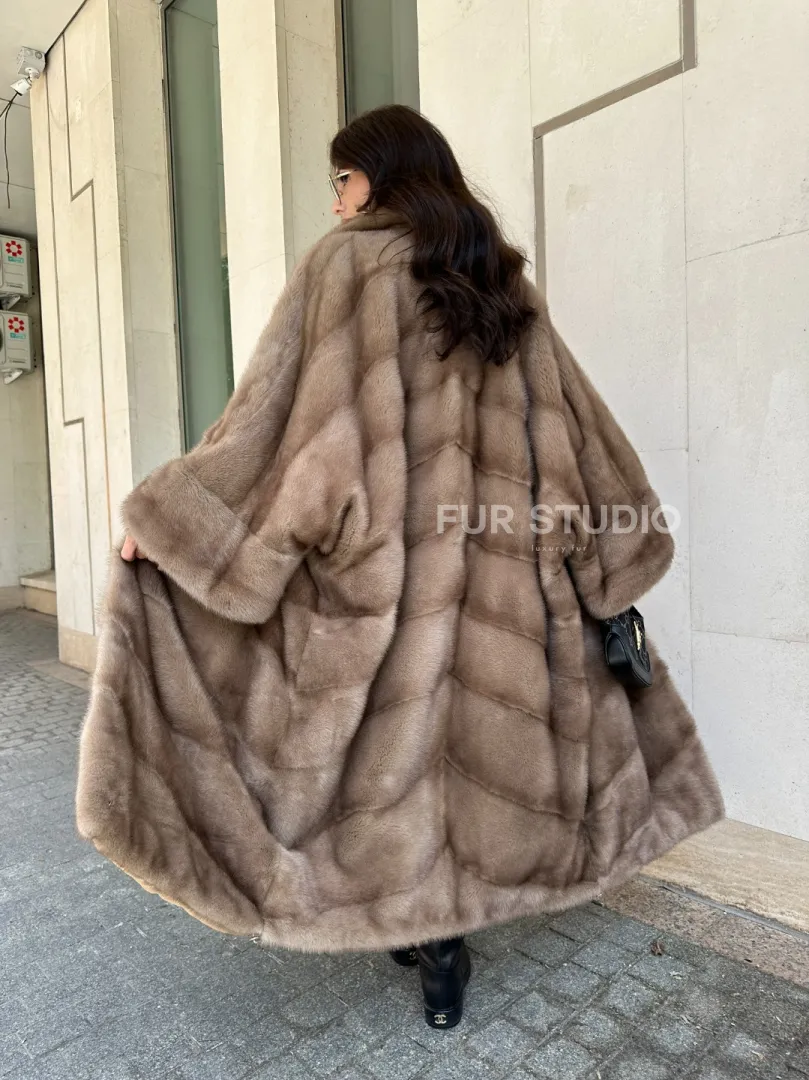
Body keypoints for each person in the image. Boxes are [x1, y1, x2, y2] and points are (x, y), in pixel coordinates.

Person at [95, 104, 724, 1032]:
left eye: (343, 180)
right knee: (464, 758)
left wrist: (179, 519)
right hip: (508, 581)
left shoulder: (344, 270)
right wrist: (606, 556)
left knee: (391, 761)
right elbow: (577, 430)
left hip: (382, 584)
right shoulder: (498, 281)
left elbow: (279, 432)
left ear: (381, 176)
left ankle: (424, 936)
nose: (337, 202)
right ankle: (442, 949)